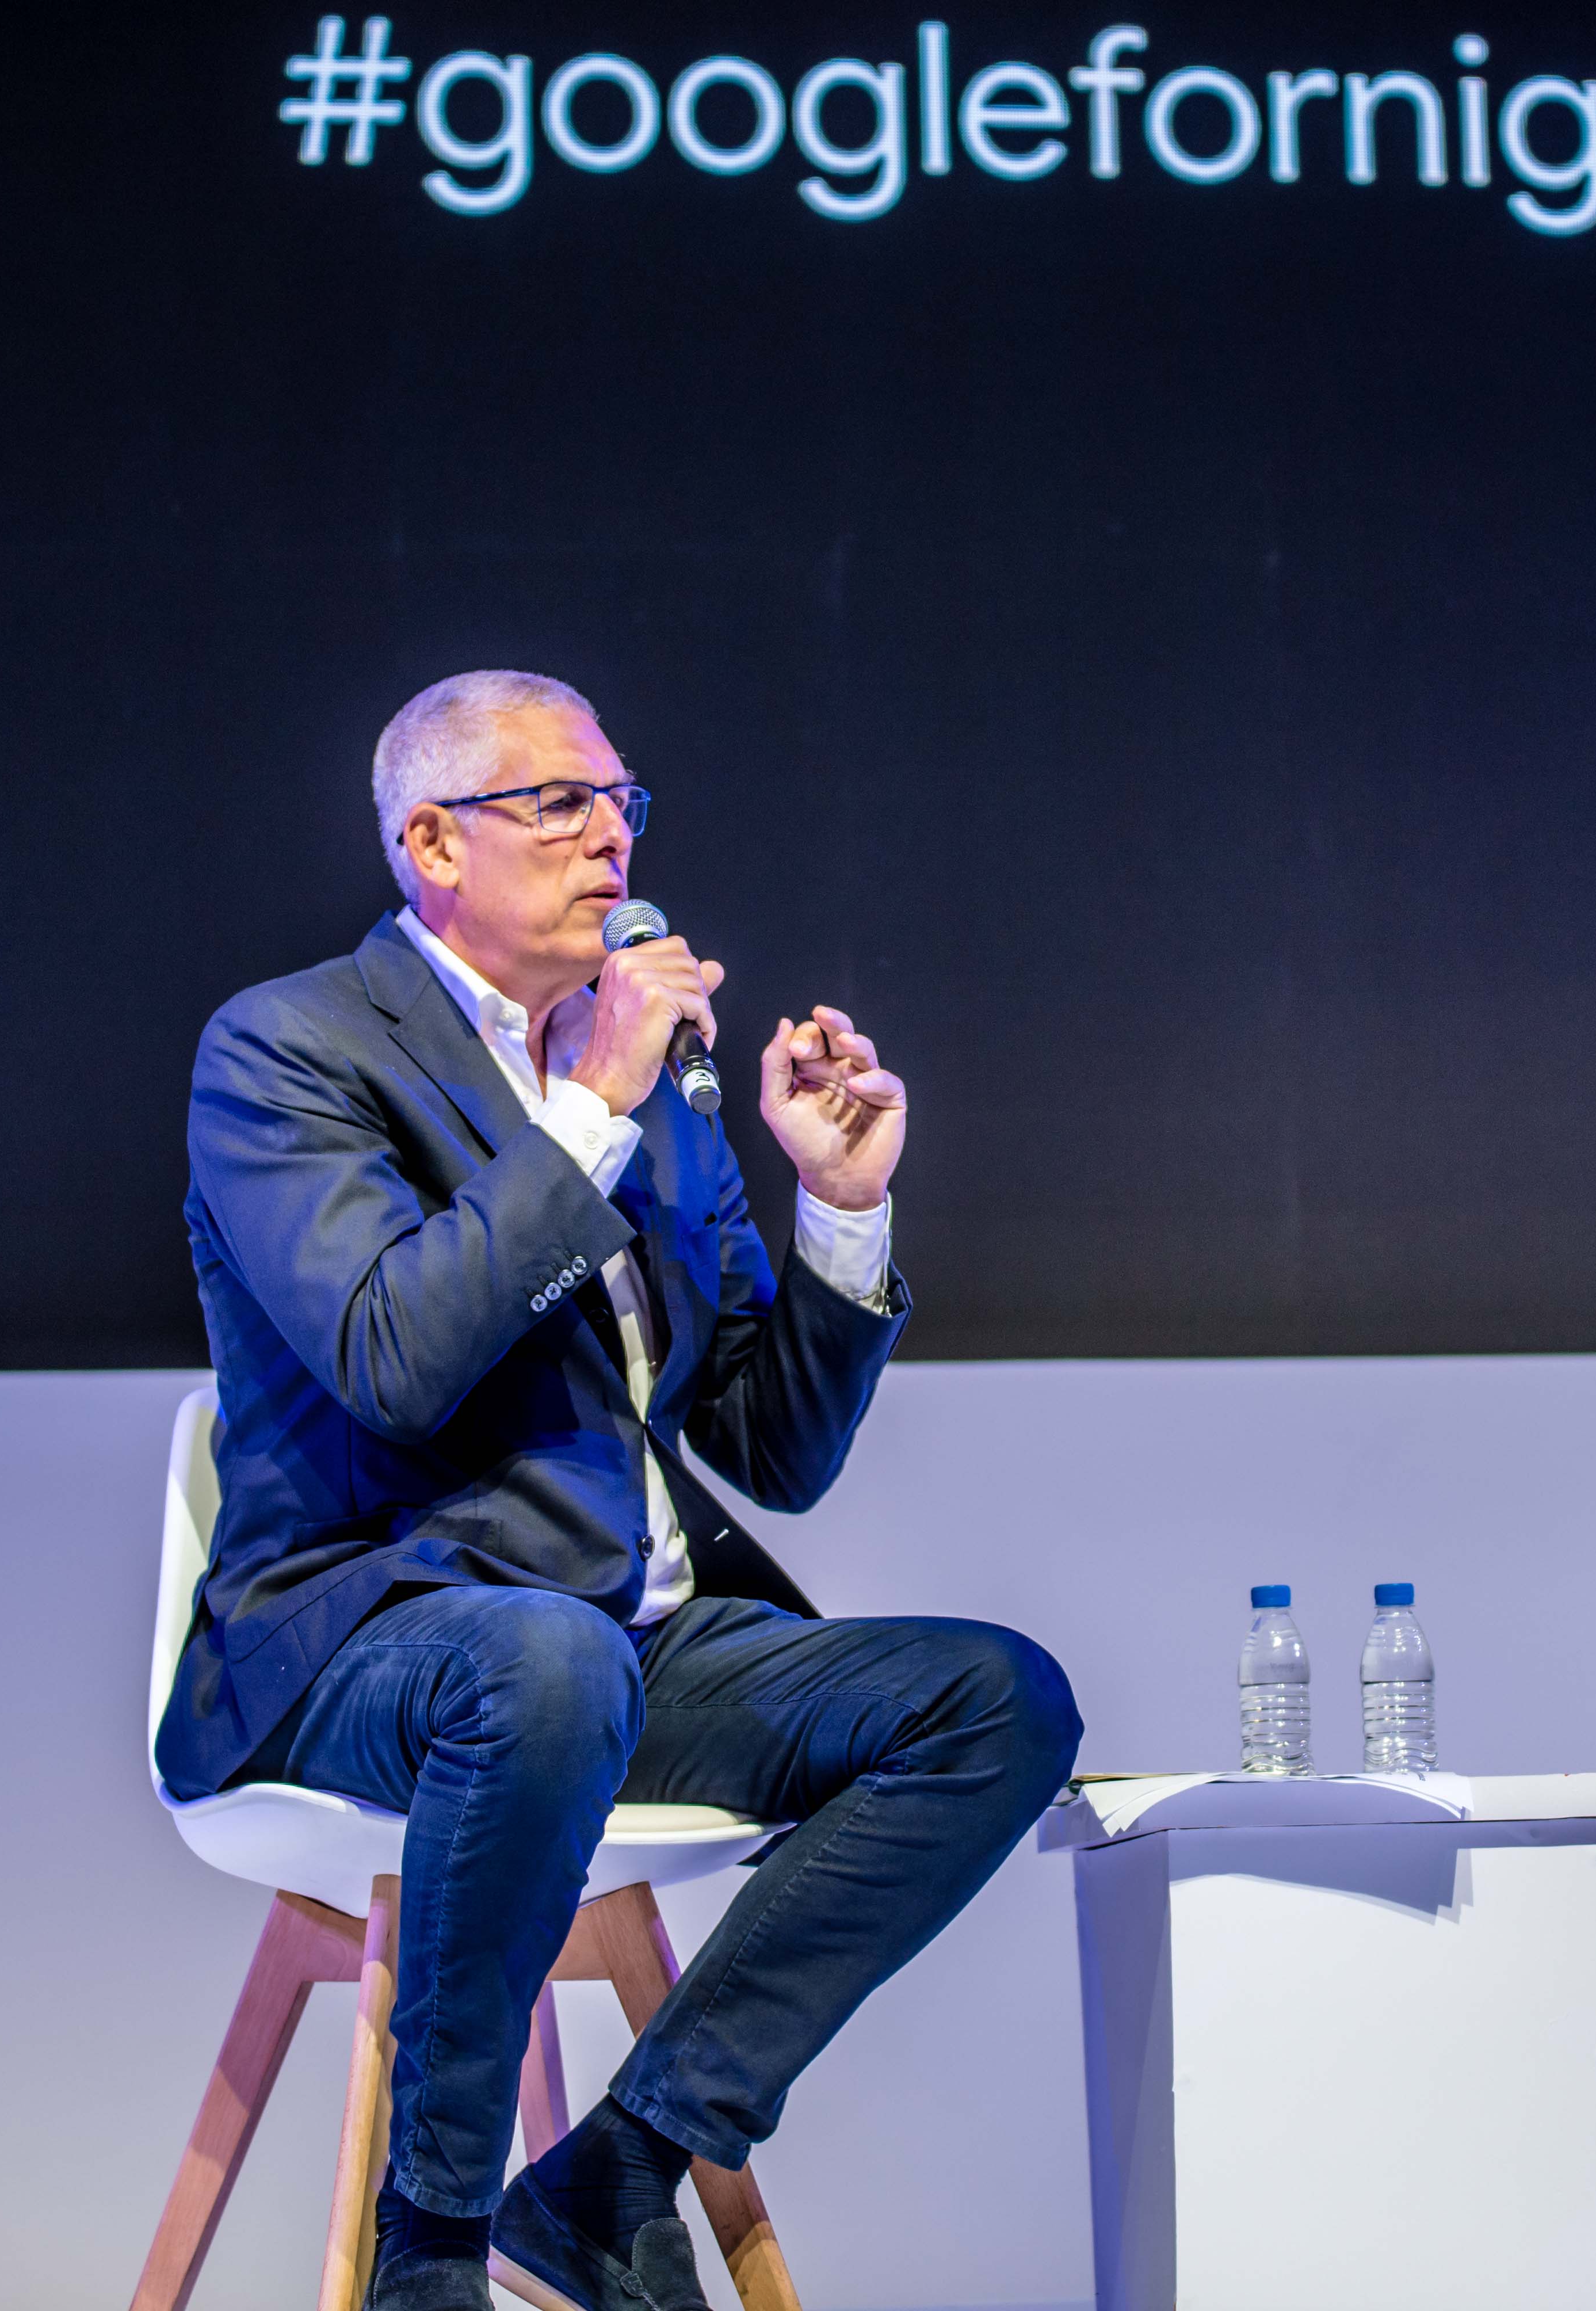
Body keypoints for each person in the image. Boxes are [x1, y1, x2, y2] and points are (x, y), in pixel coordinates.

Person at [161, 669, 1081, 2311]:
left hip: (624, 1646)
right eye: (560, 804)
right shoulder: (292, 1050)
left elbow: (772, 1447)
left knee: (994, 1699)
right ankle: (425, 2247)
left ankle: (616, 2171)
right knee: (540, 1658)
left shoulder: (648, 1082)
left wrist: (840, 1212)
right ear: (431, 842)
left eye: (623, 804)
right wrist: (582, 1109)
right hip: (366, 1640)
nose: (612, 839)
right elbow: (388, 1355)